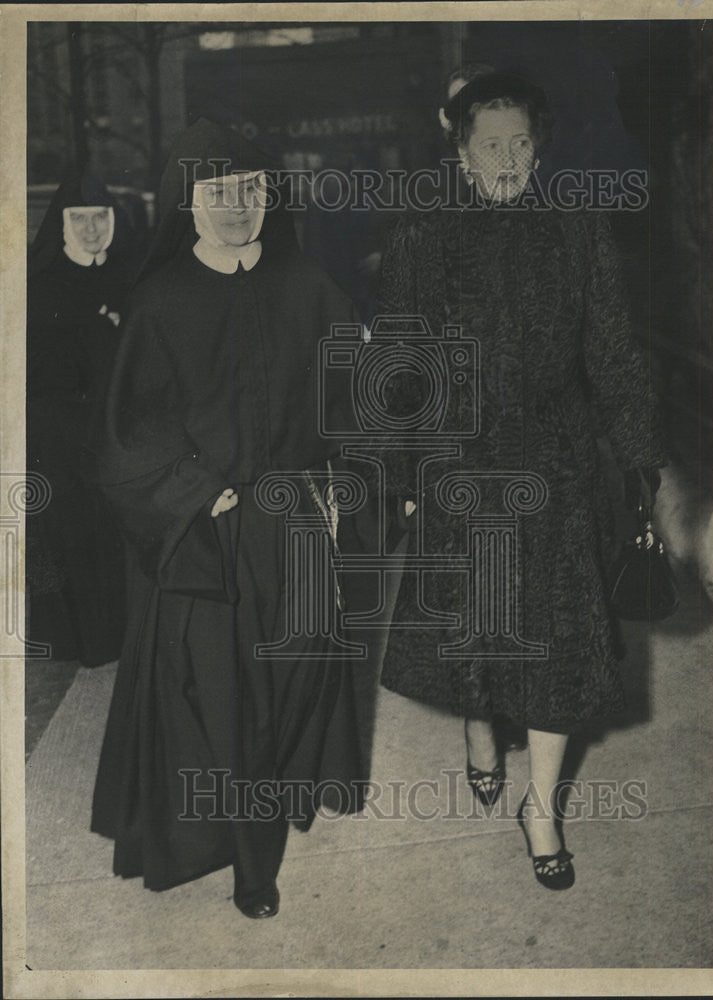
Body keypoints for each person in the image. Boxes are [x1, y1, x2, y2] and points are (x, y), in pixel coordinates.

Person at [377, 71, 665, 890]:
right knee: (480, 623)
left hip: (557, 461)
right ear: (461, 154)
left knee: (560, 640)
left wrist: (639, 457)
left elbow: (610, 347)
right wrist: (397, 463)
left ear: (539, 151)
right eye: (489, 144)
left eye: (520, 143)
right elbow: (397, 359)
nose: (506, 157)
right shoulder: (424, 234)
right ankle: (477, 724)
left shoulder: (576, 226)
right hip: (459, 461)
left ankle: (540, 805)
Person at [89, 118, 367, 918]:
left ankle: (277, 802)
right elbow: (121, 436)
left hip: (300, 521)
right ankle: (253, 861)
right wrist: (194, 486)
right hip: (207, 531)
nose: (237, 207)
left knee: (300, 677)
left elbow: (356, 402)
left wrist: (342, 484)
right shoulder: (159, 301)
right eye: (218, 193)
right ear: (190, 203)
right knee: (226, 694)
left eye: (250, 190)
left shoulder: (311, 287)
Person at [26, 170, 135, 667]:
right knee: (74, 537)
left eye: (100, 217)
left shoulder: (132, 277)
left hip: (120, 435)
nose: (91, 229)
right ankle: (85, 644)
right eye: (80, 218)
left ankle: (127, 638)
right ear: (63, 225)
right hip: (60, 442)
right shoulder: (38, 285)